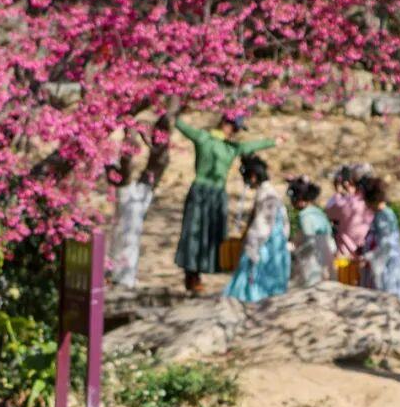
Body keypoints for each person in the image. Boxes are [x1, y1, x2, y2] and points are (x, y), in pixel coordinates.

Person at [173, 110, 274, 293]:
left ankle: (197, 272)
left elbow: (250, 146)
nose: (234, 132)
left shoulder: (227, 146)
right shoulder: (206, 139)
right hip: (203, 191)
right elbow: (182, 126)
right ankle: (192, 274)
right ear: (226, 124)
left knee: (208, 234)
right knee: (195, 232)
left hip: (215, 194)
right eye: (234, 128)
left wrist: (274, 141)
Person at [105, 113, 170, 290]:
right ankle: (121, 277)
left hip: (132, 195)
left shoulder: (134, 189)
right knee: (123, 240)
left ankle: (122, 276)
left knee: (123, 240)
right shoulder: (114, 152)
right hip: (127, 195)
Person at [225, 155, 291, 303]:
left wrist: (251, 245)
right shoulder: (269, 192)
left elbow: (263, 225)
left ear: (253, 176)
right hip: (275, 245)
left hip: (267, 246)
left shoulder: (267, 195)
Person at [360, 177, 400, 302]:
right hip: (391, 263)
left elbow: (386, 245)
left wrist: (367, 256)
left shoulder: (383, 216)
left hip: (390, 267)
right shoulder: (385, 213)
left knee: (392, 299)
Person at [288, 176, 337, 288]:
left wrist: (293, 251)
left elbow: (309, 244)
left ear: (300, 199)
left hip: (314, 267)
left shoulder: (305, 216)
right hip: (327, 261)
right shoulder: (318, 213)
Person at [325, 163, 374, 259]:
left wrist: (338, 191)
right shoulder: (371, 201)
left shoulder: (344, 204)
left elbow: (329, 210)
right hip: (370, 255)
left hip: (348, 257)